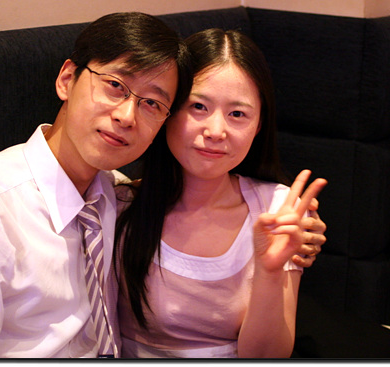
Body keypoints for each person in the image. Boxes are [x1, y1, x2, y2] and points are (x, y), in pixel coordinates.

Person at [0, 12, 194, 358]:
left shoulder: (113, 196)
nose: (127, 116)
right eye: (115, 86)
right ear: (67, 79)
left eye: (152, 103)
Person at [114, 28, 328, 358]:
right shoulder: (117, 206)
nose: (216, 131)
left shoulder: (278, 209)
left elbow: (266, 359)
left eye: (237, 114)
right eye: (198, 106)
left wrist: (270, 272)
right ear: (168, 110)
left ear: (259, 125)